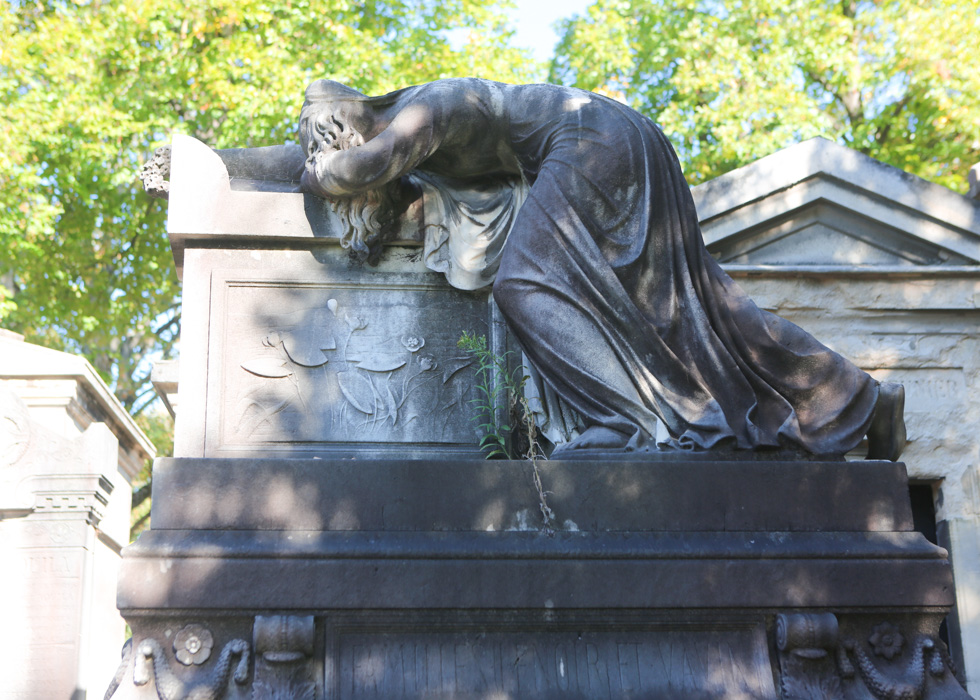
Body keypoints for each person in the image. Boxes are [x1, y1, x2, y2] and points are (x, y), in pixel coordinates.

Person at [299, 78, 906, 460]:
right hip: (622, 132)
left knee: (523, 283)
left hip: (594, 139)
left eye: (330, 140)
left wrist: (318, 172)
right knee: (693, 308)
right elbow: (321, 161)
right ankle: (850, 399)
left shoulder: (429, 108)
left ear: (352, 131)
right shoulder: (414, 119)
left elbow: (357, 170)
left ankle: (629, 425)